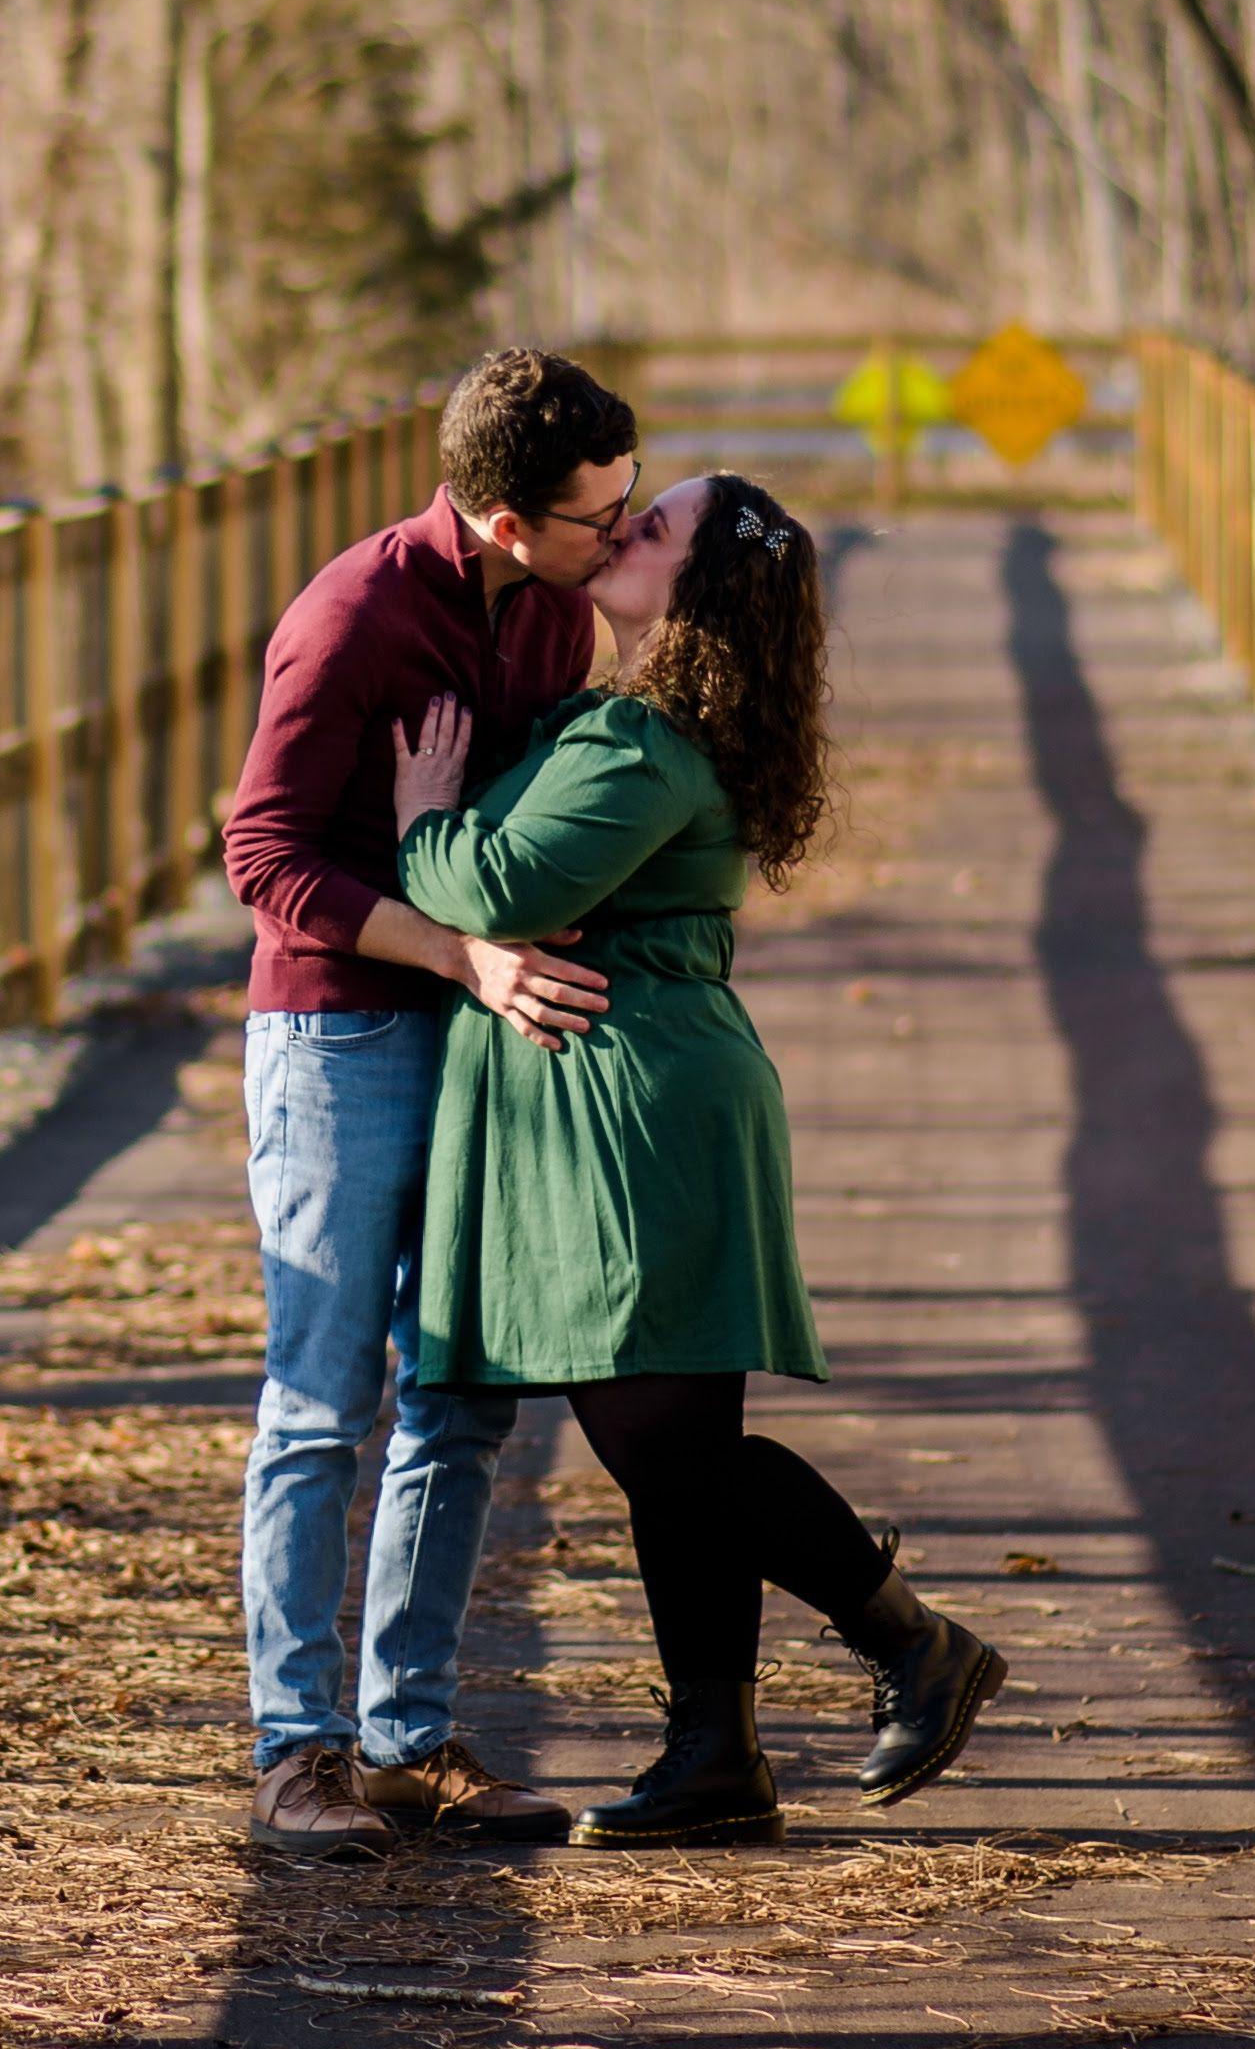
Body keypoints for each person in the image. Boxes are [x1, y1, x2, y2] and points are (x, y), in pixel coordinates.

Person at [387, 471, 1009, 1843]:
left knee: (660, 1441)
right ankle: (715, 1753)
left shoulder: (643, 746)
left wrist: (424, 813)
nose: (619, 532)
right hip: (629, 1090)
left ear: (698, 592)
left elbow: (496, 892)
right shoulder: (624, 725)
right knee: (671, 1446)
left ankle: (913, 1641)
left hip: (642, 1103)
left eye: (649, 528)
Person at [205, 345, 640, 1859]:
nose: (622, 539)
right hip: (338, 1040)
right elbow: (262, 859)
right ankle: (295, 1751)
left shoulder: (563, 613)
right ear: (507, 520)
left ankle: (409, 1740)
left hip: (476, 1034)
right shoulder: (351, 620)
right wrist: (457, 947)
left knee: (460, 1391)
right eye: (600, 518)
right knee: (324, 1401)